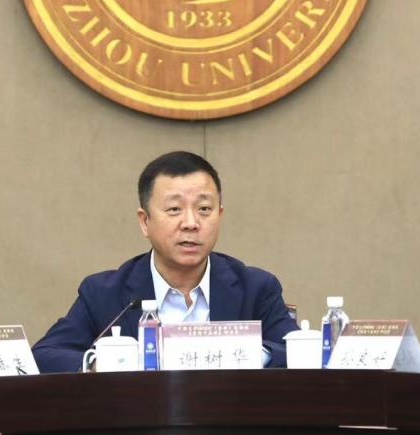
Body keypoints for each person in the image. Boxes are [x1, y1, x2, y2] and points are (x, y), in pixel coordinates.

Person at [32, 151, 299, 372]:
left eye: (204, 209)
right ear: (144, 221)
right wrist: (98, 363)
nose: (191, 223)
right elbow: (45, 355)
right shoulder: (104, 293)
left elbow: (295, 350)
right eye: (174, 209)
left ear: (219, 215)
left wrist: (246, 353)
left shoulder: (256, 287)